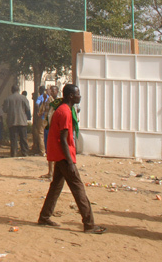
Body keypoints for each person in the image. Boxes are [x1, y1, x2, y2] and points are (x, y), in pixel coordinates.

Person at [38, 84, 106, 234]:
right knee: (78, 189)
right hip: (64, 156)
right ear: (70, 96)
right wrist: (70, 161)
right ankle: (89, 224)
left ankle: (44, 216)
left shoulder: (64, 110)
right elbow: (63, 139)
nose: (79, 96)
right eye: (77, 94)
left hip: (60, 155)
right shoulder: (65, 112)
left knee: (55, 187)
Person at [3, 84, 31, 157]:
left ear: (12, 90)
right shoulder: (24, 98)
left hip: (12, 121)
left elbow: (5, 109)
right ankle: (25, 153)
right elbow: (27, 108)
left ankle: (14, 153)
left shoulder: (8, 99)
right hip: (22, 121)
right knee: (23, 138)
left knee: (13, 139)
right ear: (18, 90)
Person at [39, 85, 59, 180]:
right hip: (48, 126)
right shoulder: (47, 100)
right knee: (49, 150)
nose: (51, 92)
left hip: (54, 128)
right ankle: (50, 172)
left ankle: (54, 173)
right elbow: (43, 110)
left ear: (57, 91)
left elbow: (53, 106)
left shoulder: (57, 102)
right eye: (50, 91)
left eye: (53, 91)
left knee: (55, 150)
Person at [32, 85, 47, 156]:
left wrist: (39, 112)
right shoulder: (49, 98)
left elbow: (37, 104)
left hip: (42, 118)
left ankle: (42, 151)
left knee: (40, 133)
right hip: (48, 118)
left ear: (40, 91)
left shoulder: (40, 97)